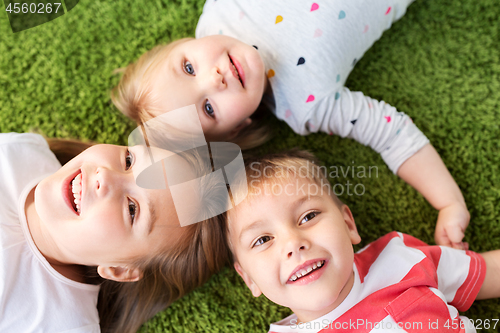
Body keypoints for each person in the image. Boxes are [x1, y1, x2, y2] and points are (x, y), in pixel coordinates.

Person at [111, 0, 470, 250]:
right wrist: (448, 202)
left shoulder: (219, 11)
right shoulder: (305, 105)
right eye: (208, 108)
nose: (215, 77)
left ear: (186, 42)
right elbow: (390, 133)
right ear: (238, 128)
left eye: (189, 67)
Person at [224, 150, 500, 333]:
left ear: (348, 224)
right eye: (262, 239)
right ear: (249, 278)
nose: (293, 243)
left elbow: (492, 272)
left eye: (308, 216)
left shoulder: (401, 259)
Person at [0, 132, 228, 333]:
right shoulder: (21, 150)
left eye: (132, 209)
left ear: (119, 269)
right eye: (129, 161)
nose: (106, 176)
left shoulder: (63, 326)